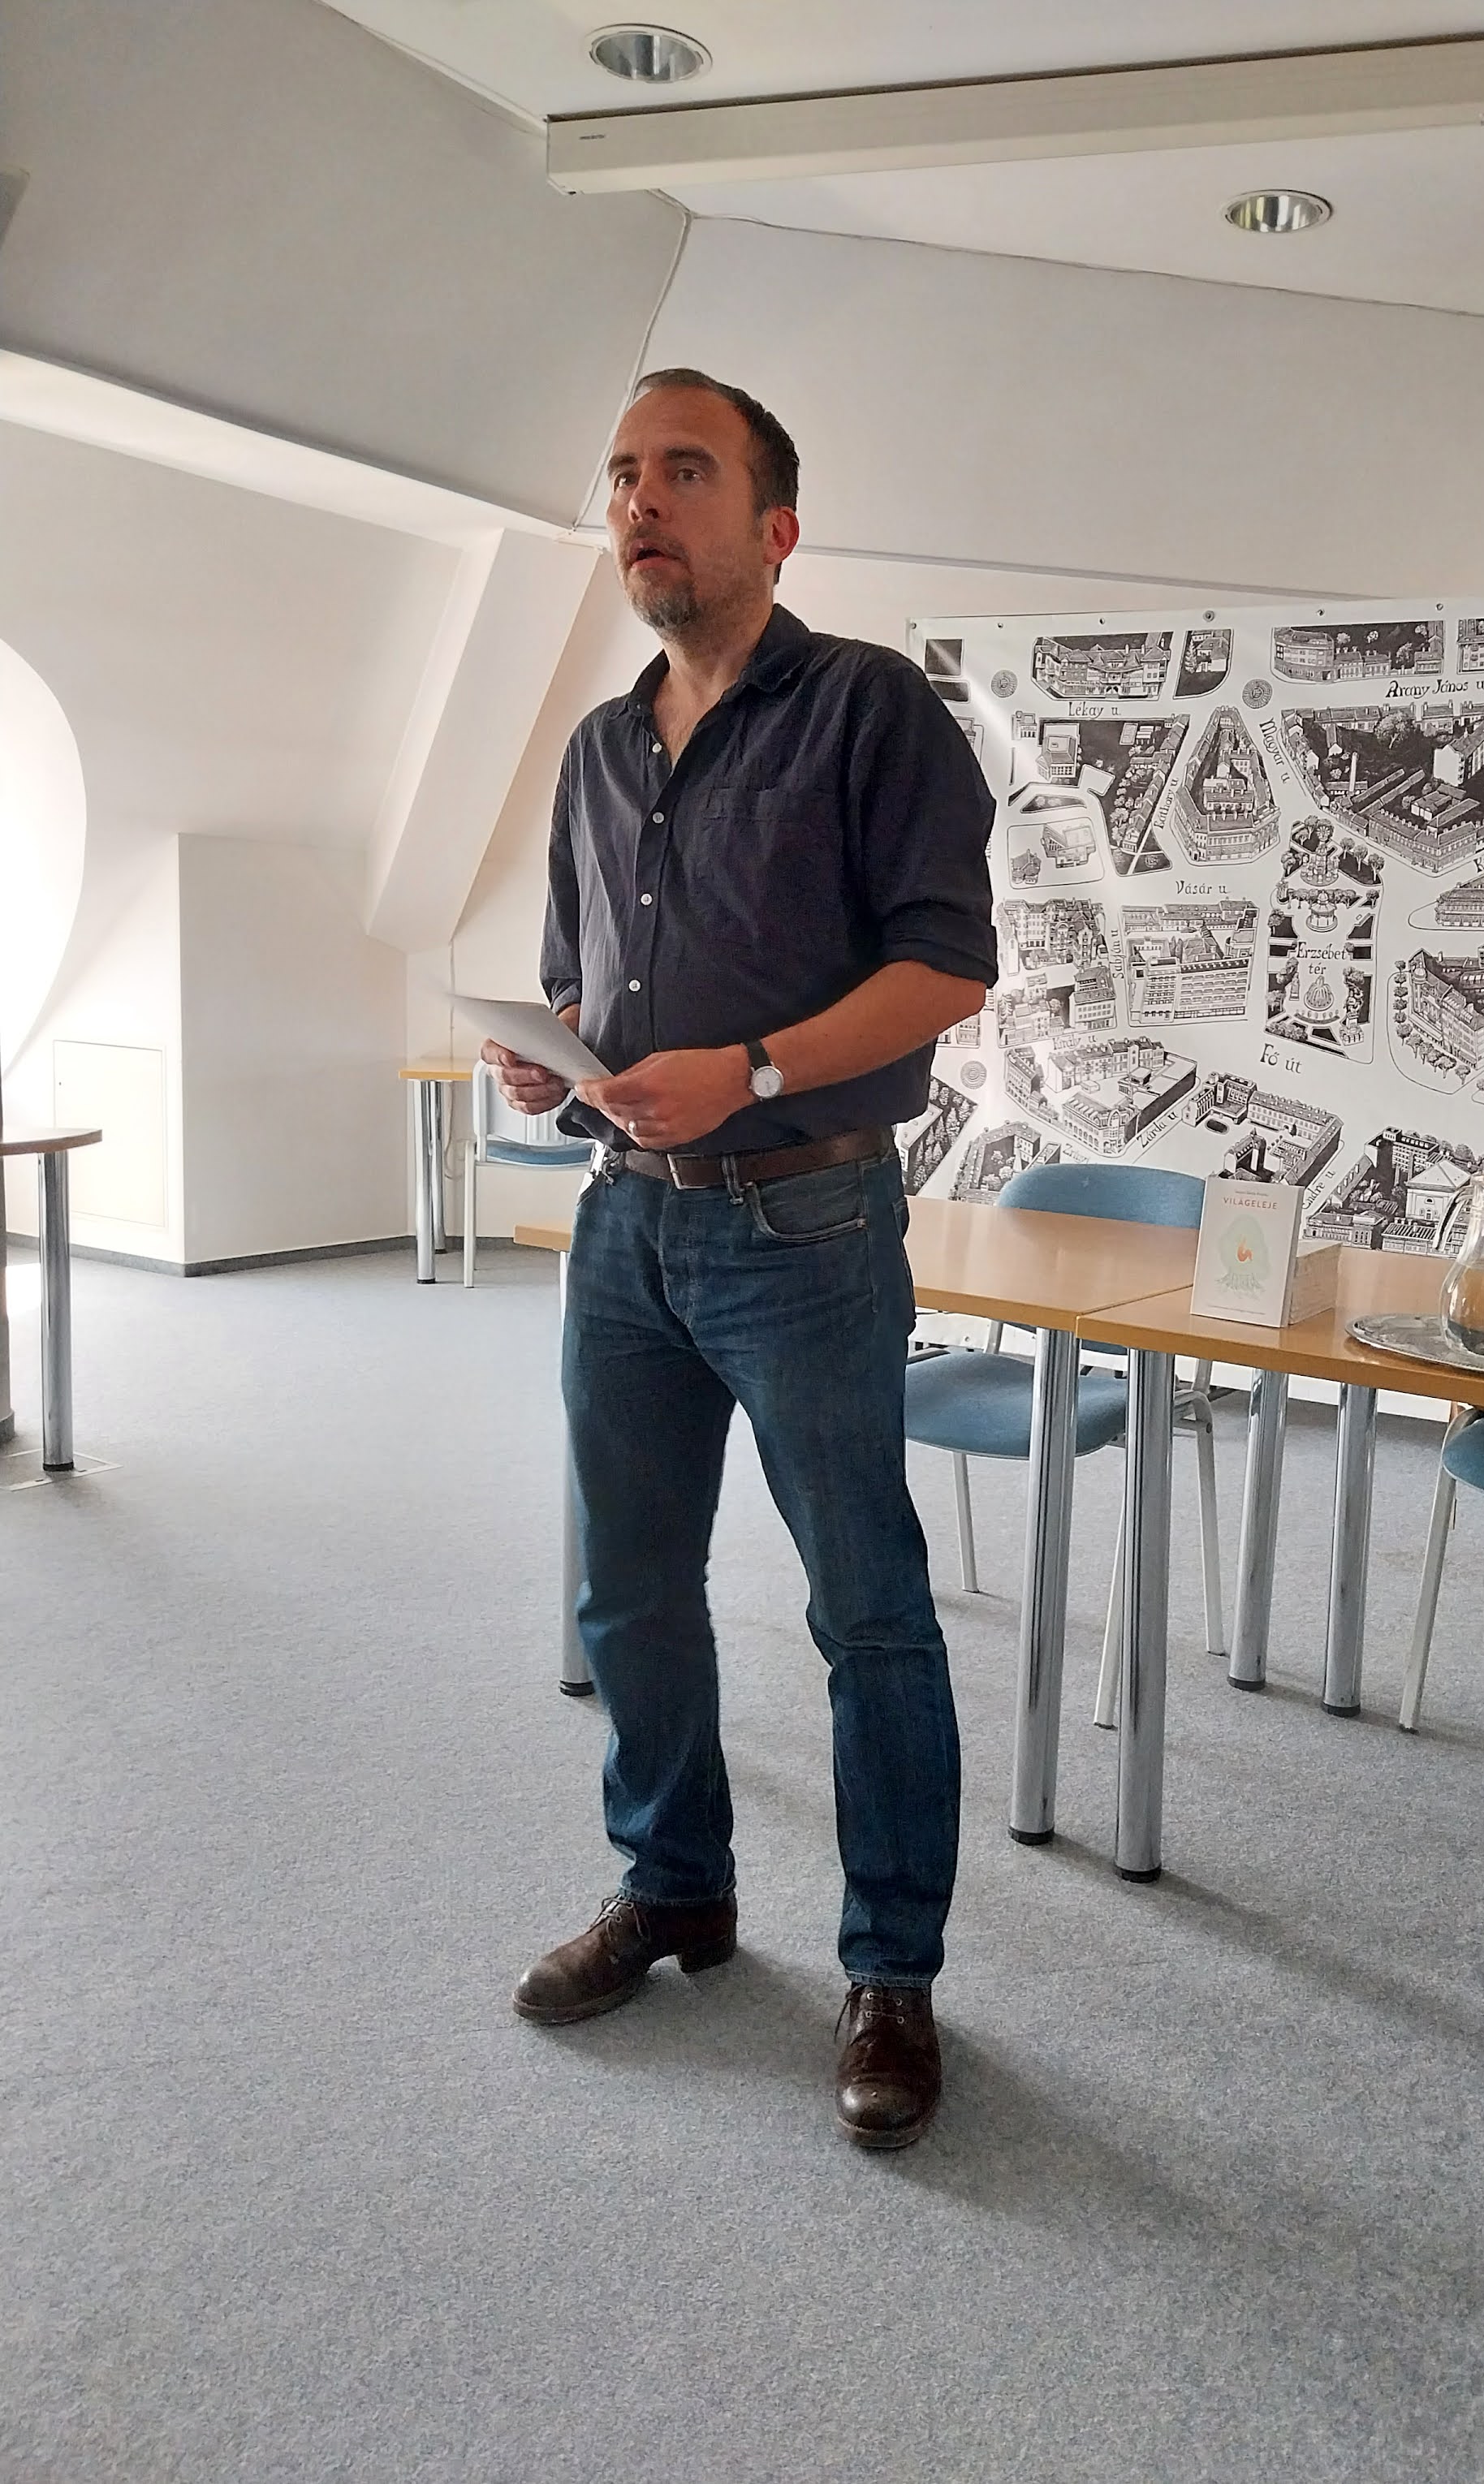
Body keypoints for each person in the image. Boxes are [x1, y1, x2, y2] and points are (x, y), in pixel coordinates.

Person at [483, 368, 995, 2150]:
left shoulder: (867, 708)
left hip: (807, 1223)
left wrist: (757, 1069)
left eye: (683, 471)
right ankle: (674, 1887)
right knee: (628, 1591)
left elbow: (946, 968)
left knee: (866, 1612)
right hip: (624, 1219)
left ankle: (892, 1973)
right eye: (624, 472)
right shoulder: (596, 748)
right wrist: (553, 1052)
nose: (641, 500)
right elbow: (583, 974)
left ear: (774, 527)